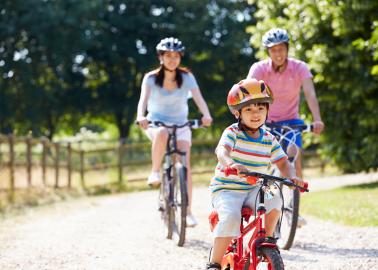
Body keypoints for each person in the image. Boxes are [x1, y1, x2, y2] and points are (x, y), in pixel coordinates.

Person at [206, 78, 303, 270]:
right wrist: (231, 163)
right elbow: (221, 152)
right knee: (231, 217)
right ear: (237, 113)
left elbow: (283, 162)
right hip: (227, 189)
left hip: (254, 187)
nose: (255, 114)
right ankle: (214, 263)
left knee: (275, 199)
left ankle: (266, 240)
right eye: (249, 109)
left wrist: (291, 176)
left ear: (267, 110)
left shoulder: (268, 138)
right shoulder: (232, 132)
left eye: (260, 108)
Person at [136, 37, 212, 227]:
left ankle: (187, 212)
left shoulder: (187, 77)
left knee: (184, 165)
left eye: (176, 56)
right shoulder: (151, 78)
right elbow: (143, 101)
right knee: (161, 133)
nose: (172, 59)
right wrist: (141, 116)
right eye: (168, 56)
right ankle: (154, 172)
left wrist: (206, 115)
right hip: (156, 123)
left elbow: (199, 99)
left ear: (180, 58)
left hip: (181, 125)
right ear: (161, 57)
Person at [247, 28, 325, 181]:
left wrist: (317, 119)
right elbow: (246, 92)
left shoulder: (300, 67)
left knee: (293, 154)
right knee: (261, 161)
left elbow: (310, 94)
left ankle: (295, 201)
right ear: (268, 51)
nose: (278, 54)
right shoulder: (259, 68)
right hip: (266, 122)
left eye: (281, 49)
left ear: (287, 48)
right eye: (274, 50)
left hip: (291, 121)